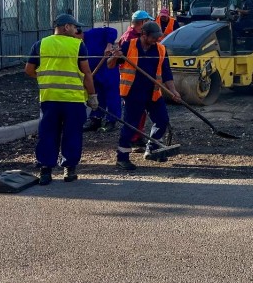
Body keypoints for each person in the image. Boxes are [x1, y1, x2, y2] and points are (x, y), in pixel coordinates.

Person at [24, 14, 98, 185]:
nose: (76, 30)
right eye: (74, 27)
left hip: (49, 98)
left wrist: (44, 79)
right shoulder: (78, 45)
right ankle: (69, 170)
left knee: (48, 133)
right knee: (72, 133)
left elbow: (28, 70)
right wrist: (92, 95)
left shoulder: (40, 44)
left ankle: (45, 170)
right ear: (66, 27)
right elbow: (87, 73)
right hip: (73, 100)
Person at [107, 21, 182, 170]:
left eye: (157, 37)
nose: (156, 40)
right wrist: (115, 56)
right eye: (153, 37)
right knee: (131, 125)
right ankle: (122, 157)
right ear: (143, 35)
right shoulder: (129, 46)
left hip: (153, 92)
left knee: (162, 120)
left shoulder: (160, 49)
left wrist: (173, 91)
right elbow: (110, 64)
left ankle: (152, 148)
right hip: (133, 94)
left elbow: (166, 72)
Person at [82, 26, 120, 132]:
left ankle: (111, 121)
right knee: (97, 96)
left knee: (112, 96)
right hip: (94, 73)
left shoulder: (93, 33)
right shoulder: (77, 45)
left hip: (108, 70)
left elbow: (112, 30)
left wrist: (109, 44)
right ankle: (95, 119)